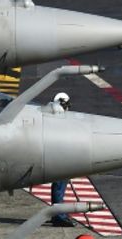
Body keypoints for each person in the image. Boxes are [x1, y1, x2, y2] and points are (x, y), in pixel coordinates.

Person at [49, 92, 74, 228]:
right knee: (59, 187)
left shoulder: (53, 116)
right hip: (60, 157)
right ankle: (59, 216)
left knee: (59, 187)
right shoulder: (59, 119)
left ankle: (58, 214)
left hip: (59, 156)